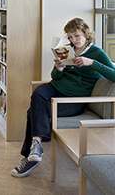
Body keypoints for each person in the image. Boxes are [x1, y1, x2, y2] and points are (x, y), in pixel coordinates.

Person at [10, 17, 115, 178]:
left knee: (33, 112)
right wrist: (58, 69)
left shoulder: (97, 53)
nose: (74, 40)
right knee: (38, 92)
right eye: (70, 37)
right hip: (56, 87)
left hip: (74, 99)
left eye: (77, 36)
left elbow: (113, 74)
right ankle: (36, 147)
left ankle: (31, 155)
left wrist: (91, 63)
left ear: (86, 34)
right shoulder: (67, 50)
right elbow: (54, 77)